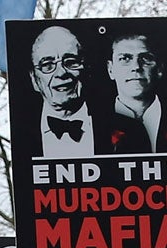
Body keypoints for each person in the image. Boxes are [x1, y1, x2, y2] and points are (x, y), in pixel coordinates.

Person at [19, 26, 142, 159]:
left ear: (86, 69)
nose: (61, 73)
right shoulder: (20, 136)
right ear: (34, 79)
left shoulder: (129, 131)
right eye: (48, 65)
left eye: (71, 62)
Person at [109, 33, 167, 151]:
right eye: (125, 58)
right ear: (111, 69)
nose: (136, 67)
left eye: (145, 58)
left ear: (159, 69)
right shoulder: (92, 124)